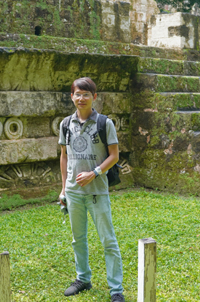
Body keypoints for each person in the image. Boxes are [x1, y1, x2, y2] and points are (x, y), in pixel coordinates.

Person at [58, 77, 125, 302]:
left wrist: (94, 173)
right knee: (78, 239)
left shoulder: (104, 123)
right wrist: (63, 189)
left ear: (94, 97)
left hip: (97, 191)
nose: (81, 98)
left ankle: (116, 289)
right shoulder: (65, 124)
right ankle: (83, 279)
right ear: (72, 97)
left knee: (108, 240)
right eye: (78, 94)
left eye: (86, 94)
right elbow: (64, 156)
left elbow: (114, 156)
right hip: (73, 192)